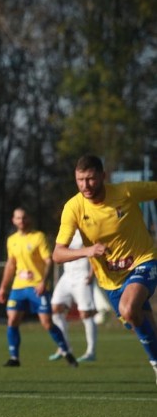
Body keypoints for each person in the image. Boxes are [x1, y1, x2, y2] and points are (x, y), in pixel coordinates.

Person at [53, 154, 157, 384]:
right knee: (139, 323)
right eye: (80, 180)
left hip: (144, 261)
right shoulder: (73, 207)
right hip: (111, 280)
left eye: (90, 179)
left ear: (103, 176)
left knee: (129, 308)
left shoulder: (126, 192)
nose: (85, 185)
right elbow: (58, 254)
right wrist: (86, 251)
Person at [0, 207, 78, 367]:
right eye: (18, 218)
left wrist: (43, 282)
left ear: (29, 219)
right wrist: (3, 287)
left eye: (24, 217)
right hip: (18, 288)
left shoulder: (38, 237)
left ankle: (66, 351)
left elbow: (48, 261)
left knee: (47, 322)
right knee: (12, 320)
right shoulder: (11, 240)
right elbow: (11, 264)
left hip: (36, 287)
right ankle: (14, 357)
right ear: (13, 221)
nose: (21, 221)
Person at [48, 229, 98, 362]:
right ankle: (64, 347)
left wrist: (92, 274)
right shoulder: (66, 231)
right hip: (67, 276)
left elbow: (95, 251)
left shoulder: (87, 229)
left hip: (83, 275)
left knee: (85, 314)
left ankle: (91, 352)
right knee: (55, 309)